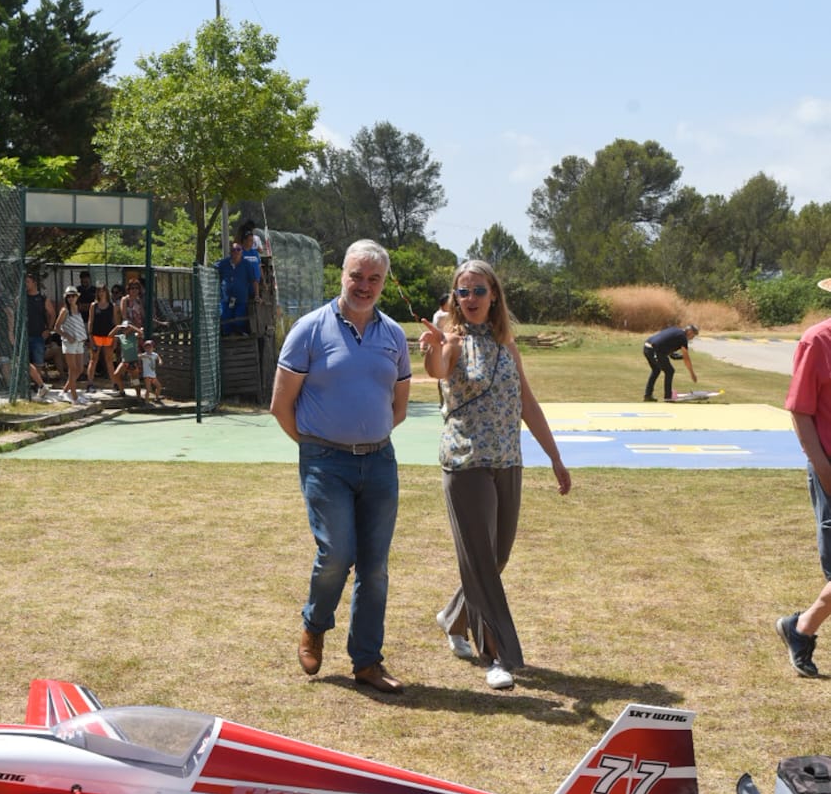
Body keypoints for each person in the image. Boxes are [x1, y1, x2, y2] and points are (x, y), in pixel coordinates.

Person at [419, 259, 571, 693]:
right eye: (461, 292)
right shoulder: (451, 339)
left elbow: (527, 401)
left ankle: (452, 618)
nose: (469, 299)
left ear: (494, 295)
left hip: (508, 460)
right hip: (466, 463)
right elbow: (438, 370)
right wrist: (433, 344)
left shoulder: (506, 342)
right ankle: (498, 657)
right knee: (483, 563)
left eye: (478, 291)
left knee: (496, 557)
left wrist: (556, 459)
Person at [270, 238, 411, 694]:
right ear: (342, 276)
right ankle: (314, 625)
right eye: (356, 276)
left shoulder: (392, 335)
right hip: (324, 462)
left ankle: (367, 662)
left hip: (380, 463)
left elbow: (400, 407)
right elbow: (280, 405)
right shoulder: (309, 330)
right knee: (337, 552)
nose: (364, 286)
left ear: (383, 283)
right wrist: (317, 447)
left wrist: (366, 437)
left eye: (373, 279)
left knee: (375, 567)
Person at [776, 277, 831, 677]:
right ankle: (800, 628)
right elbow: (800, 409)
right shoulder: (818, 341)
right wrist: (824, 467)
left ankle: (800, 628)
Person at [642, 323, 699, 402]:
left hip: (647, 347)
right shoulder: (683, 338)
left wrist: (675, 356)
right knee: (670, 371)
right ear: (689, 332)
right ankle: (668, 397)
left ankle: (648, 395)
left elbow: (665, 342)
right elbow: (686, 357)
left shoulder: (676, 330)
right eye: (694, 335)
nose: (693, 338)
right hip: (655, 350)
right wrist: (692, 374)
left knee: (656, 370)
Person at [23, 270, 54, 399]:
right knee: (25, 362)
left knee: (38, 363)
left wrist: (49, 329)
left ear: (34, 283)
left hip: (38, 335)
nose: (26, 284)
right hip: (24, 335)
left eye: (28, 282)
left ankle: (39, 388)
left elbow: (52, 313)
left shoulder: (42, 298)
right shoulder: (22, 298)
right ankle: (34, 386)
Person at [57, 284, 88, 405]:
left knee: (80, 369)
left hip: (79, 342)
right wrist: (67, 336)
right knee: (72, 369)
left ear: (77, 297)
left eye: (73, 296)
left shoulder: (78, 309)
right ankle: (74, 397)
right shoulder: (65, 310)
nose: (71, 298)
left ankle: (65, 391)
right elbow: (56, 327)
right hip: (69, 343)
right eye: (69, 296)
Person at [216, 242, 253, 336]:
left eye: (238, 250)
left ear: (241, 252)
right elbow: (214, 268)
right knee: (225, 317)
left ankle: (239, 334)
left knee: (239, 318)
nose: (236, 252)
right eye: (233, 250)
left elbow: (254, 280)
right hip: (226, 298)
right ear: (230, 252)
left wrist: (256, 295)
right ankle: (227, 336)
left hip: (241, 298)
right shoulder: (224, 264)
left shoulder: (246, 264)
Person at [86, 282, 118, 387]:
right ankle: (90, 382)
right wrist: (90, 336)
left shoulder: (112, 306)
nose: (101, 293)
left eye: (103, 290)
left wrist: (115, 339)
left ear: (106, 292)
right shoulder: (93, 305)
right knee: (93, 359)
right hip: (96, 336)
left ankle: (114, 383)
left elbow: (115, 323)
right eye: (99, 291)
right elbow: (91, 321)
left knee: (109, 360)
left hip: (108, 336)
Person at [138, 336, 163, 403]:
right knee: (148, 389)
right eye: (147, 347)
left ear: (153, 348)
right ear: (145, 348)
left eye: (150, 347)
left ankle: (156, 398)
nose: (148, 349)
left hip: (153, 375)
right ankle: (146, 402)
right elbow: (138, 356)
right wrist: (142, 356)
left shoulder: (155, 355)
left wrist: (160, 361)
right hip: (147, 375)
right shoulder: (144, 355)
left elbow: (158, 357)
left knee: (159, 387)